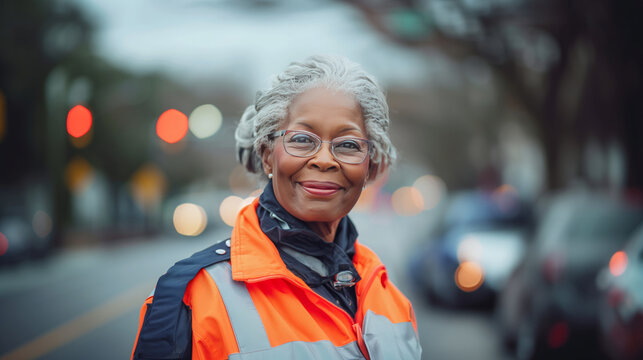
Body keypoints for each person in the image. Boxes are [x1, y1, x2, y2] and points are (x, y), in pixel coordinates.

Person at [131, 55, 422, 360]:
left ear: (370, 164)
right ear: (268, 154)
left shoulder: (388, 292)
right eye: (301, 139)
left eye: (348, 144)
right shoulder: (192, 297)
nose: (324, 160)